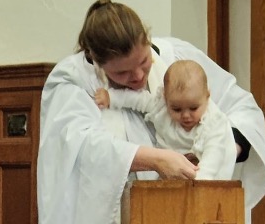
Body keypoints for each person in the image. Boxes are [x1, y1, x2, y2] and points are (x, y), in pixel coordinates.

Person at [37, 0, 265, 224]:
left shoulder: (176, 57)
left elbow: (242, 110)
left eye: (144, 62)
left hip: (183, 209)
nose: (138, 76)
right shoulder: (74, 79)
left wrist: (219, 148)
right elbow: (81, 146)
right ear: (98, 61)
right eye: (122, 73)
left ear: (147, 40)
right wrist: (157, 160)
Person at [94, 59, 237, 180]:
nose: (185, 115)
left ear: (207, 96)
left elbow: (214, 157)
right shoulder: (161, 107)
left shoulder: (213, 122)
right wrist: (111, 97)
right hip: (169, 172)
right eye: (176, 109)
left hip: (208, 177)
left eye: (193, 108)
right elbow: (139, 100)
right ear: (165, 98)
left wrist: (200, 181)